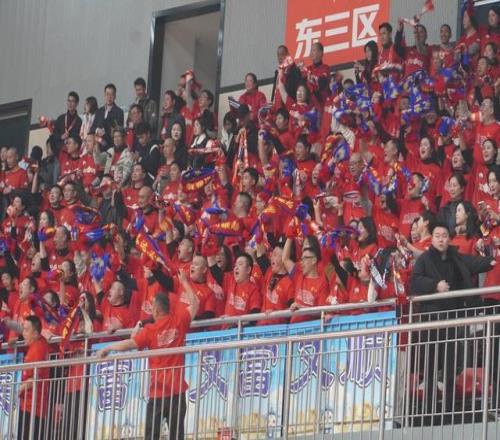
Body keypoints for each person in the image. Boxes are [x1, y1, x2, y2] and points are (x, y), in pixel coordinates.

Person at [410, 223, 495, 424]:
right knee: (430, 368)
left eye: (444, 236)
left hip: (451, 319)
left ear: (449, 239)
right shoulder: (424, 259)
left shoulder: (456, 258)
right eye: (437, 236)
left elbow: (474, 263)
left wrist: (491, 260)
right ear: (432, 239)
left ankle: (447, 413)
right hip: (431, 321)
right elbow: (415, 282)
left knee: (449, 369)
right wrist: (435, 286)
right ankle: (429, 413)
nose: (441, 239)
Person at [97, 279, 199, 440]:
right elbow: (195, 303)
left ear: (156, 311)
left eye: (152, 307)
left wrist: (108, 348)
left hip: (158, 392)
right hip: (177, 391)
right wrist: (185, 282)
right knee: (176, 435)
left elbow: (129, 343)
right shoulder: (179, 321)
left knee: (151, 435)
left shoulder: (150, 330)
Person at [17, 316, 49, 440]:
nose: (23, 334)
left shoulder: (38, 347)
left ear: (35, 333)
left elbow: (35, 377)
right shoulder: (37, 344)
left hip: (32, 406)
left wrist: (18, 389)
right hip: (30, 405)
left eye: (26, 330)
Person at [91, 83, 125, 148]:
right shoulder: (99, 111)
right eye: (107, 94)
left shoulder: (119, 112)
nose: (109, 97)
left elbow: (119, 130)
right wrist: (97, 130)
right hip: (98, 144)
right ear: (104, 95)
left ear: (115, 96)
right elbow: (92, 127)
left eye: (111, 94)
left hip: (111, 145)